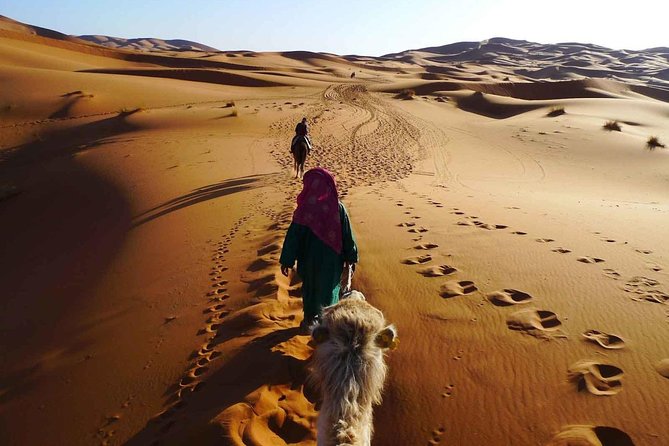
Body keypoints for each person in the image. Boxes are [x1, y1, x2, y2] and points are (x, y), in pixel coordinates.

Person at [280, 168, 358, 330]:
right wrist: (351, 256)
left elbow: (293, 237)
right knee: (329, 291)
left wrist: (287, 260)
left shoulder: (303, 211)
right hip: (332, 262)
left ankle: (309, 319)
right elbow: (347, 235)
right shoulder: (338, 208)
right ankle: (327, 325)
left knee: (309, 290)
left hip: (308, 262)